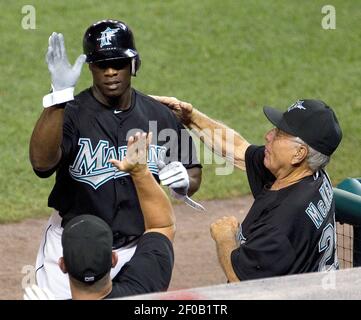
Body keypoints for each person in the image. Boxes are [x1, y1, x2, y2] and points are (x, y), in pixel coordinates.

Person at [29, 19, 201, 299]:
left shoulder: (159, 115)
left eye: (118, 63)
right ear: (91, 68)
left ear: (134, 65)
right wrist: (58, 99)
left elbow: (193, 171)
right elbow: (41, 164)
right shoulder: (70, 112)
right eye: (101, 64)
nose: (110, 72)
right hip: (73, 249)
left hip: (136, 247)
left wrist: (185, 183)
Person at [151, 96, 342, 281]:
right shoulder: (309, 174)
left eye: (279, 134)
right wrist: (191, 118)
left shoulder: (283, 220)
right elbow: (239, 149)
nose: (268, 135)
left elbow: (242, 285)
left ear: (299, 154)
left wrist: (225, 238)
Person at [25, 132, 175, 300]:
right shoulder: (143, 287)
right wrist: (140, 172)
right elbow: (162, 226)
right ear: (113, 259)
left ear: (62, 265)